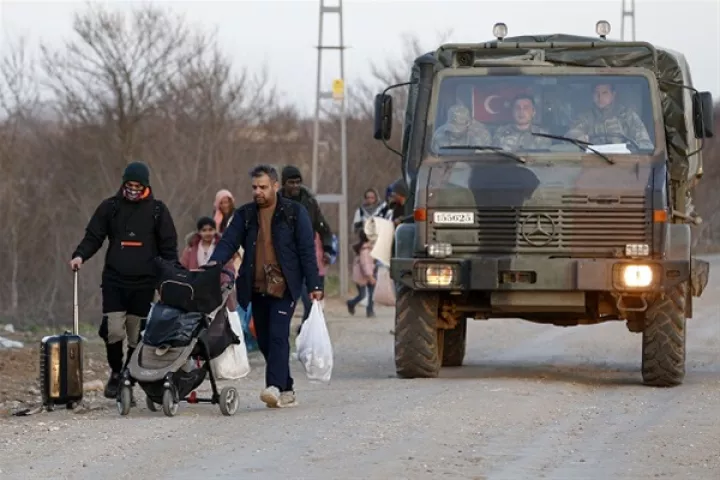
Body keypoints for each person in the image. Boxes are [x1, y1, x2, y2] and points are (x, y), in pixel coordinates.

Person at [208, 164, 322, 409]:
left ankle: (273, 387)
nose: (257, 192)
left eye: (262, 187)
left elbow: (306, 251)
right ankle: (287, 387)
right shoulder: (245, 215)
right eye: (254, 187)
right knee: (265, 340)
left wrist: (314, 283)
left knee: (279, 335)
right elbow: (229, 241)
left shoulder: (294, 212)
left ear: (275, 186)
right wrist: (214, 263)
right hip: (256, 286)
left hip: (285, 286)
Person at [69, 161, 178, 399]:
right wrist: (80, 255)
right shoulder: (111, 207)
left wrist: (170, 276)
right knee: (114, 330)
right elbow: (94, 236)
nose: (132, 189)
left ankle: (129, 374)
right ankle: (117, 371)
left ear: (146, 186)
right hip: (115, 280)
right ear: (123, 184)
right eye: (129, 185)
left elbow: (169, 247)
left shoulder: (158, 211)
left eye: (138, 186)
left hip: (144, 281)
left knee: (135, 333)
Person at [279, 165, 334, 323]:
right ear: (284, 183)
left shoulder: (309, 202)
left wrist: (328, 249)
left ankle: (305, 330)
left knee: (310, 301)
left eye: (298, 182)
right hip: (282, 259)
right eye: (291, 182)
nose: (295, 186)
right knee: (282, 306)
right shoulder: (275, 203)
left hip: (305, 258)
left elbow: (323, 227)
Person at [565, 82, 654, 150]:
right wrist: (580, 138)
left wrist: (627, 143)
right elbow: (569, 137)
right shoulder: (585, 117)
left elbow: (646, 146)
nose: (600, 97)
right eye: (596, 93)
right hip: (592, 163)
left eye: (605, 93)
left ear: (613, 95)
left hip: (625, 164)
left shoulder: (628, 116)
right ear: (592, 95)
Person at [180, 216, 237, 310]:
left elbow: (229, 268)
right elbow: (183, 266)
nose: (208, 233)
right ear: (199, 232)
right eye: (204, 230)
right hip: (196, 289)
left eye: (211, 230)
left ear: (215, 230)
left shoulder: (222, 248)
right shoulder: (191, 249)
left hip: (218, 289)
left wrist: (225, 283)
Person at [347, 230, 376, 318]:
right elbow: (366, 265)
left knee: (370, 293)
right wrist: (370, 277)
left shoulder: (367, 249)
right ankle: (351, 303)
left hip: (366, 275)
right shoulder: (365, 251)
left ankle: (370, 310)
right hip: (364, 276)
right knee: (362, 295)